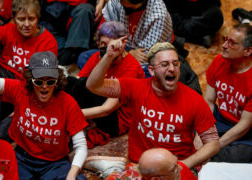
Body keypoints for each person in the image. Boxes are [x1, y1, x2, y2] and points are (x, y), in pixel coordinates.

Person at [86, 41, 220, 169]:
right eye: (164, 64)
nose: (172, 69)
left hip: (175, 168)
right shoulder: (135, 87)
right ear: (151, 70)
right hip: (139, 165)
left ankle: (113, 166)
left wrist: (184, 165)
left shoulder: (194, 100)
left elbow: (213, 143)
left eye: (175, 63)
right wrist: (108, 56)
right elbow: (93, 86)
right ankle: (113, 167)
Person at [0, 51, 88, 179]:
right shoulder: (20, 89)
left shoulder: (68, 103)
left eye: (50, 82)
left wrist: (72, 174)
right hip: (22, 157)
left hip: (54, 163)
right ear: (30, 79)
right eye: (39, 82)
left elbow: (81, 145)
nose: (44, 87)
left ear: (57, 80)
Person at [0, 0, 58, 121]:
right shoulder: (9, 29)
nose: (26, 24)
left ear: (38, 18)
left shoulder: (48, 42)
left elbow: (43, 82)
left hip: (29, 88)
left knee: (9, 128)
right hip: (5, 80)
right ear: (14, 19)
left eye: (31, 19)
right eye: (21, 19)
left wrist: (25, 105)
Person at [67, 21, 144, 145]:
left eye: (112, 45)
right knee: (71, 82)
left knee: (82, 85)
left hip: (117, 118)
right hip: (96, 106)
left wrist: (69, 115)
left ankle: (87, 124)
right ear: (98, 44)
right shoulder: (96, 57)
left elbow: (107, 109)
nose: (108, 49)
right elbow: (77, 83)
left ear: (122, 45)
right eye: (103, 44)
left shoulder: (131, 67)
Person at [204, 24, 252, 163]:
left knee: (231, 156)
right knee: (185, 132)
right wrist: (203, 133)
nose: (224, 45)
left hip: (246, 133)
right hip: (221, 120)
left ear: (248, 51)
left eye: (231, 43)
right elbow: (208, 101)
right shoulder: (219, 61)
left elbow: (244, 125)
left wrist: (213, 146)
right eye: (225, 39)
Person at [39, 0, 95, 65]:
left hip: (76, 19)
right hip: (52, 18)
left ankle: (74, 55)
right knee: (56, 55)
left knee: (85, 10)